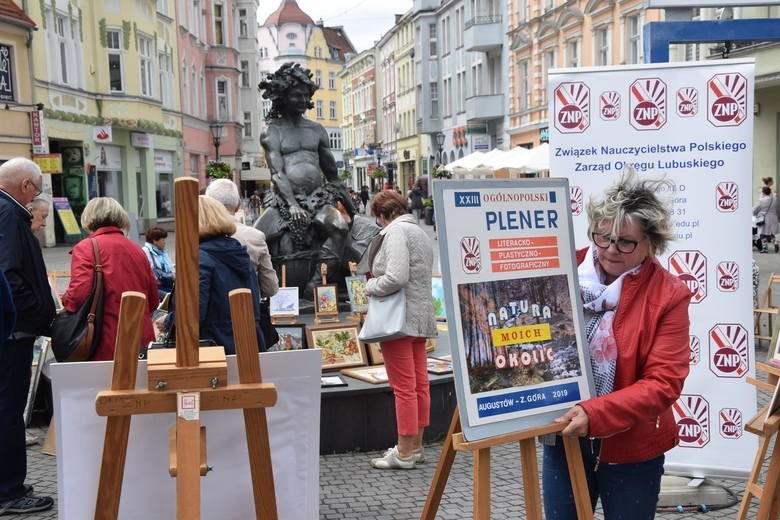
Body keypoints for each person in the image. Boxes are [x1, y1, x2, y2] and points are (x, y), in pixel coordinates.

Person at [542, 171, 692, 520]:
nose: (609, 249)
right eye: (603, 237)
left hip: (632, 447)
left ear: (651, 244)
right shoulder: (561, 268)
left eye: (625, 242)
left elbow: (663, 383)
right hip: (564, 435)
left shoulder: (669, 295)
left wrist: (594, 413)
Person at [257, 62, 355, 294]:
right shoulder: (272, 130)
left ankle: (316, 286)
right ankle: (265, 289)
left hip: (319, 198)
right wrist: (291, 204)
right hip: (285, 199)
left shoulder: (316, 130)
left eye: (305, 95)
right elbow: (277, 172)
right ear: (282, 96)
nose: (303, 100)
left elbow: (332, 173)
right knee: (257, 237)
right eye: (296, 95)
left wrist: (352, 208)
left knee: (339, 228)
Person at [365, 190, 437, 469]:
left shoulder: (395, 232)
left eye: (378, 219)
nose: (379, 224)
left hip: (398, 319)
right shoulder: (418, 231)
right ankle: (416, 446)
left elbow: (396, 276)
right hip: (419, 317)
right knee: (419, 384)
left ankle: (404, 452)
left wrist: (370, 286)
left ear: (384, 215)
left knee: (403, 388)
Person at [0, 157, 55, 514]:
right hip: (13, 333)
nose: (36, 195)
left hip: (13, 329)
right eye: (36, 187)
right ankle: (9, 491)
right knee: (8, 409)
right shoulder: (9, 214)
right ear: (26, 187)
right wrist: (32, 313)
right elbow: (9, 274)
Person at [164, 196, 266, 355]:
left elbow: (192, 316)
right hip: (246, 347)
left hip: (212, 351)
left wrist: (167, 320)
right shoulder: (237, 251)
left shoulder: (199, 258)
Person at [61, 197, 159, 361]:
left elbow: (78, 295)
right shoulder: (137, 249)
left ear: (88, 218)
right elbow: (153, 300)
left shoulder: (86, 248)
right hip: (140, 337)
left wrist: (64, 301)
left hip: (105, 340)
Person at [205, 179, 279, 298]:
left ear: (208, 205)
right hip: (247, 309)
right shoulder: (255, 236)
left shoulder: (195, 236)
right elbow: (270, 288)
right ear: (238, 205)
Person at [142, 227, 175, 299]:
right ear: (155, 241)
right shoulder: (146, 251)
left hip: (167, 283)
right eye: (163, 239)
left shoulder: (162, 252)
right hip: (157, 288)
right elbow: (149, 270)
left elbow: (171, 267)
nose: (165, 242)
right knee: (173, 299)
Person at [753, 186, 778, 253]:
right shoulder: (775, 199)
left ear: (763, 192)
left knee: (762, 234)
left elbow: (755, 209)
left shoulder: (762, 200)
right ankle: (775, 242)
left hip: (764, 218)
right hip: (773, 218)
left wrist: (755, 214)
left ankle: (765, 248)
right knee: (771, 233)